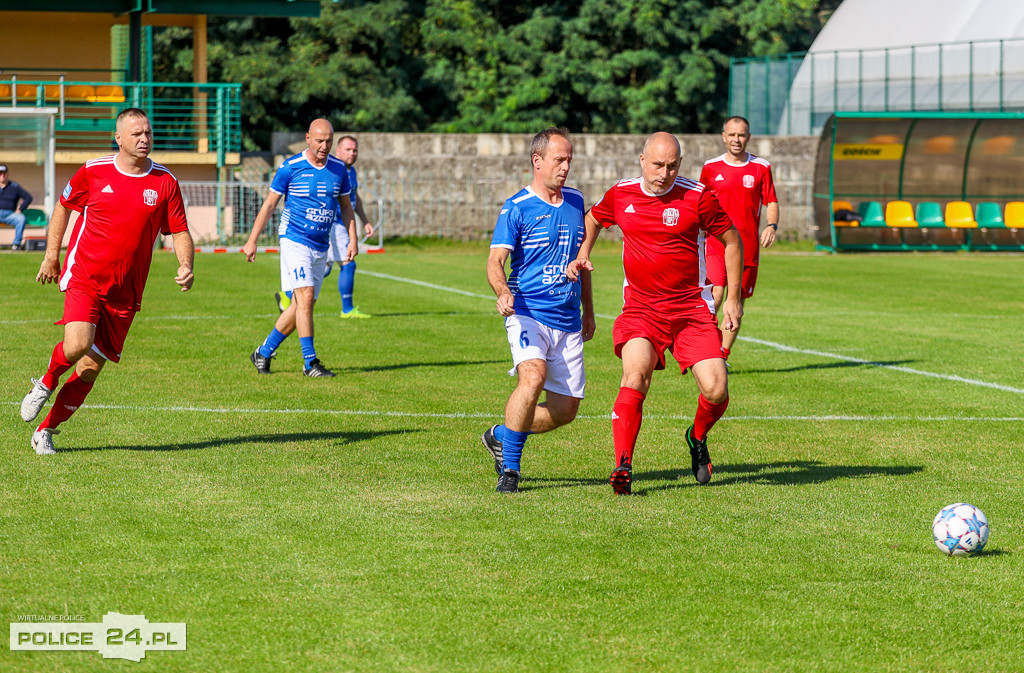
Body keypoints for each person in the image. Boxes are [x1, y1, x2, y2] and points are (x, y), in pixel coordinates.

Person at [566, 132, 743, 495]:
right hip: (641, 308)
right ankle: (623, 465)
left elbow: (732, 240)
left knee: (716, 388)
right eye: (658, 164)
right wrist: (583, 252)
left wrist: (733, 299)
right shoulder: (622, 193)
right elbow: (594, 220)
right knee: (635, 376)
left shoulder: (697, 196)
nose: (665, 173)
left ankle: (696, 437)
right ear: (642, 160)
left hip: (691, 309)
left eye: (673, 165)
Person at [19, 108, 195, 455]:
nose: (144, 139)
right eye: (136, 134)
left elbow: (179, 230)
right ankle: (46, 381)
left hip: (126, 291)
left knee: (88, 369)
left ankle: (46, 430)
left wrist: (186, 263)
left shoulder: (165, 182)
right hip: (85, 275)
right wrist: (51, 255)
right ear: (119, 138)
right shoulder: (93, 171)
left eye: (148, 133)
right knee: (77, 344)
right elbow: (63, 207)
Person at [481, 127, 595, 494]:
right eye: (559, 160)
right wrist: (502, 292)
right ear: (538, 161)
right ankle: (510, 471)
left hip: (568, 318)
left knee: (565, 412)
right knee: (531, 378)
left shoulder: (578, 202)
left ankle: (501, 435)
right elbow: (495, 261)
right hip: (527, 311)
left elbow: (584, 261)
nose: (565, 167)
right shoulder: (517, 207)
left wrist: (589, 310)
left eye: (569, 161)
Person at [245, 118, 357, 378]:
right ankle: (310, 363)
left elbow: (347, 207)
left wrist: (353, 239)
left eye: (329, 141)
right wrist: (253, 240)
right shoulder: (290, 167)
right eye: (319, 140)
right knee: (305, 298)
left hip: (322, 244)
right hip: (294, 239)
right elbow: (270, 205)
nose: (324, 145)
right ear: (308, 138)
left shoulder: (339, 169)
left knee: (300, 306)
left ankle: (263, 351)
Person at [699, 116, 779, 363]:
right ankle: (704, 347)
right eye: (732, 135)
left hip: (747, 248)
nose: (737, 139)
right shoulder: (711, 167)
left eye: (741, 135)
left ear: (749, 137)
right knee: (717, 293)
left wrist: (771, 225)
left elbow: (771, 201)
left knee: (737, 301)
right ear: (724, 136)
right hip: (715, 242)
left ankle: (721, 356)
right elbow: (698, 202)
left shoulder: (761, 167)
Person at [0, 164, 34, 250]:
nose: (2, 175)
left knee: (21, 219)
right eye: (0, 173)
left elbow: (28, 197)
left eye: (4, 173)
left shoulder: (14, 187)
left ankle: (16, 244)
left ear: (7, 174)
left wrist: (20, 209)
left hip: (10, 215)